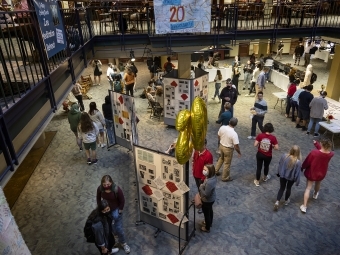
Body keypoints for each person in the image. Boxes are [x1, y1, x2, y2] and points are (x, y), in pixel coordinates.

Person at [96, 175, 130, 253]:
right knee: (110, 228)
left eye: (108, 184)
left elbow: (122, 200)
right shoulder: (100, 189)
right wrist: (100, 208)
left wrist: (120, 210)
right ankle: (114, 240)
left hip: (116, 209)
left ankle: (123, 243)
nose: (106, 186)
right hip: (106, 210)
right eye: (104, 185)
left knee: (119, 229)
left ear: (111, 182)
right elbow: (98, 199)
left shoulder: (116, 189)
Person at [300, 139, 334, 213]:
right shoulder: (331, 154)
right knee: (318, 183)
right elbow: (323, 151)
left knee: (308, 188)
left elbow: (307, 161)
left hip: (312, 172)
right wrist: (317, 144)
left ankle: (304, 206)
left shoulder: (313, 153)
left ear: (321, 144)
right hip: (321, 172)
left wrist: (302, 167)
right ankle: (315, 194)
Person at [273, 145, 302, 211]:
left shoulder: (284, 156)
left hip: (283, 176)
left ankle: (277, 201)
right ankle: (286, 200)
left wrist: (279, 173)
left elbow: (280, 164)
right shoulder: (298, 162)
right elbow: (297, 173)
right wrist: (297, 181)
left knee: (281, 188)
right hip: (291, 178)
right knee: (288, 188)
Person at [192, 139, 213, 214]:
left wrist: (203, 179)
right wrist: (193, 169)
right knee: (199, 189)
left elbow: (208, 169)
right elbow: (194, 160)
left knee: (203, 192)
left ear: (205, 145)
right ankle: (199, 200)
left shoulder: (208, 155)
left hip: (202, 177)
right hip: (196, 175)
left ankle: (202, 205)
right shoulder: (197, 151)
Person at [199, 164, 217, 233]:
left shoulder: (209, 182)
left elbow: (206, 194)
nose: (203, 171)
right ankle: (210, 223)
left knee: (207, 214)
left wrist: (201, 187)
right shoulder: (212, 177)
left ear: (210, 171)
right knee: (210, 211)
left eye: (205, 170)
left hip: (207, 200)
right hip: (212, 199)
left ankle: (207, 227)